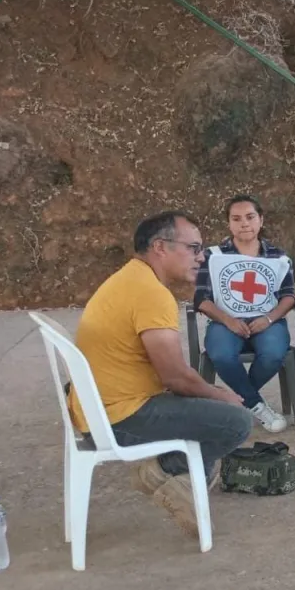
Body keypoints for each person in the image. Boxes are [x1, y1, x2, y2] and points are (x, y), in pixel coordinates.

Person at [71, 211, 252, 536]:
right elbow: (175, 378)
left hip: (99, 409)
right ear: (160, 247)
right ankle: (164, 472)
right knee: (235, 421)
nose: (200, 257)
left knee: (209, 411)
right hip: (119, 419)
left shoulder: (130, 279)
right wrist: (222, 396)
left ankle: (186, 486)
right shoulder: (151, 294)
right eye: (193, 248)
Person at [192, 195, 295, 433]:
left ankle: (237, 401)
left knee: (273, 354)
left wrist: (268, 319)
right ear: (229, 223)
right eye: (236, 219)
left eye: (250, 217)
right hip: (225, 322)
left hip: (268, 322)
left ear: (261, 220)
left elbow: (289, 296)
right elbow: (201, 299)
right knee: (221, 354)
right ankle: (256, 406)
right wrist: (228, 320)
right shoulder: (212, 256)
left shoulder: (278, 256)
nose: (244, 224)